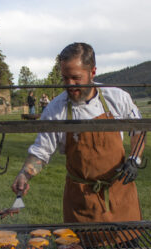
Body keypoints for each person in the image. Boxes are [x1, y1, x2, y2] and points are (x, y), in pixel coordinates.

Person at [12, 42, 145, 227]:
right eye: (65, 78)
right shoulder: (55, 109)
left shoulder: (117, 98)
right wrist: (24, 175)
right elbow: (41, 151)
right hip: (81, 202)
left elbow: (139, 129)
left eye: (76, 78)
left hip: (120, 195)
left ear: (92, 72)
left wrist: (134, 159)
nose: (69, 85)